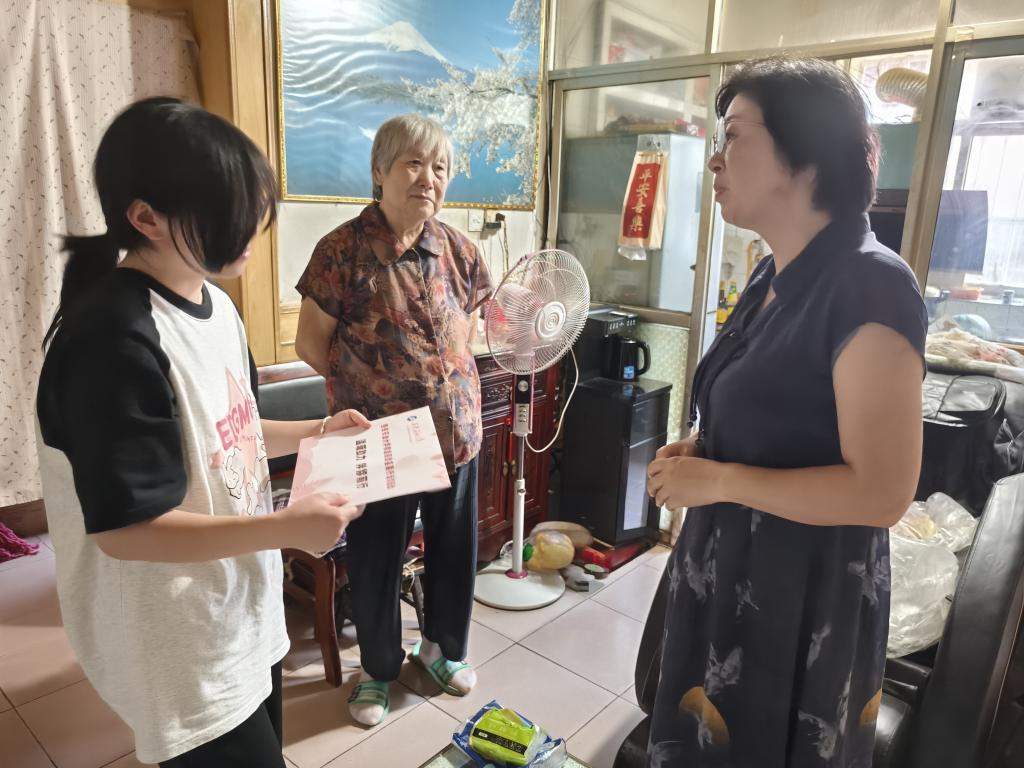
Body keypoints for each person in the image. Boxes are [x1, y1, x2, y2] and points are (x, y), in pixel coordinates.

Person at [35, 97, 369, 768]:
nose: (246, 231)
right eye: (225, 212)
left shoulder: (214, 304)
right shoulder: (110, 338)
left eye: (250, 209)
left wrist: (318, 431)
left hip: (241, 608)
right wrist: (285, 528)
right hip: (178, 641)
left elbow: (227, 433)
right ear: (145, 218)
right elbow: (127, 531)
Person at [645, 57, 928, 767]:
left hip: (799, 598)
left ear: (806, 153)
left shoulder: (869, 284)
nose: (715, 159)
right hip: (726, 570)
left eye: (735, 135)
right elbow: (778, 415)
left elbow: (882, 493)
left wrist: (720, 480)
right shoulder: (774, 271)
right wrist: (704, 448)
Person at [294, 113, 492, 727]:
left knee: (454, 550)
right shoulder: (341, 251)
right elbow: (310, 344)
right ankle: (378, 669)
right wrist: (373, 390)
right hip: (379, 443)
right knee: (377, 557)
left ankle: (441, 650)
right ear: (379, 171)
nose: (428, 178)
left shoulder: (460, 250)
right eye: (413, 163)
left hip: (456, 434)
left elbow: (470, 330)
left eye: (440, 167)